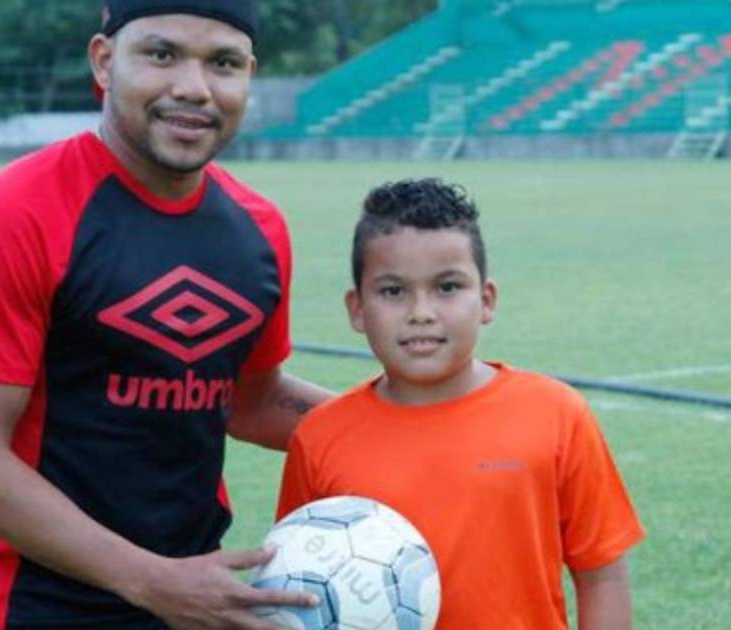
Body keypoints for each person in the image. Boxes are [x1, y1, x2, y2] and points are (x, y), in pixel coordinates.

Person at [0, 1, 331, 627]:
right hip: (32, 605)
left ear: (249, 75)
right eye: (162, 55)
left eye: (222, 63)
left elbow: (250, 400)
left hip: (191, 598)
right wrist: (153, 582)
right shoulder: (14, 215)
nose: (193, 88)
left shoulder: (260, 229)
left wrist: (414, 425)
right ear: (104, 61)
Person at [275, 178, 645, 629]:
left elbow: (602, 576)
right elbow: (298, 584)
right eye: (393, 291)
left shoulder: (556, 414)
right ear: (357, 309)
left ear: (486, 300)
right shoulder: (320, 436)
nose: (421, 312)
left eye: (447, 287)